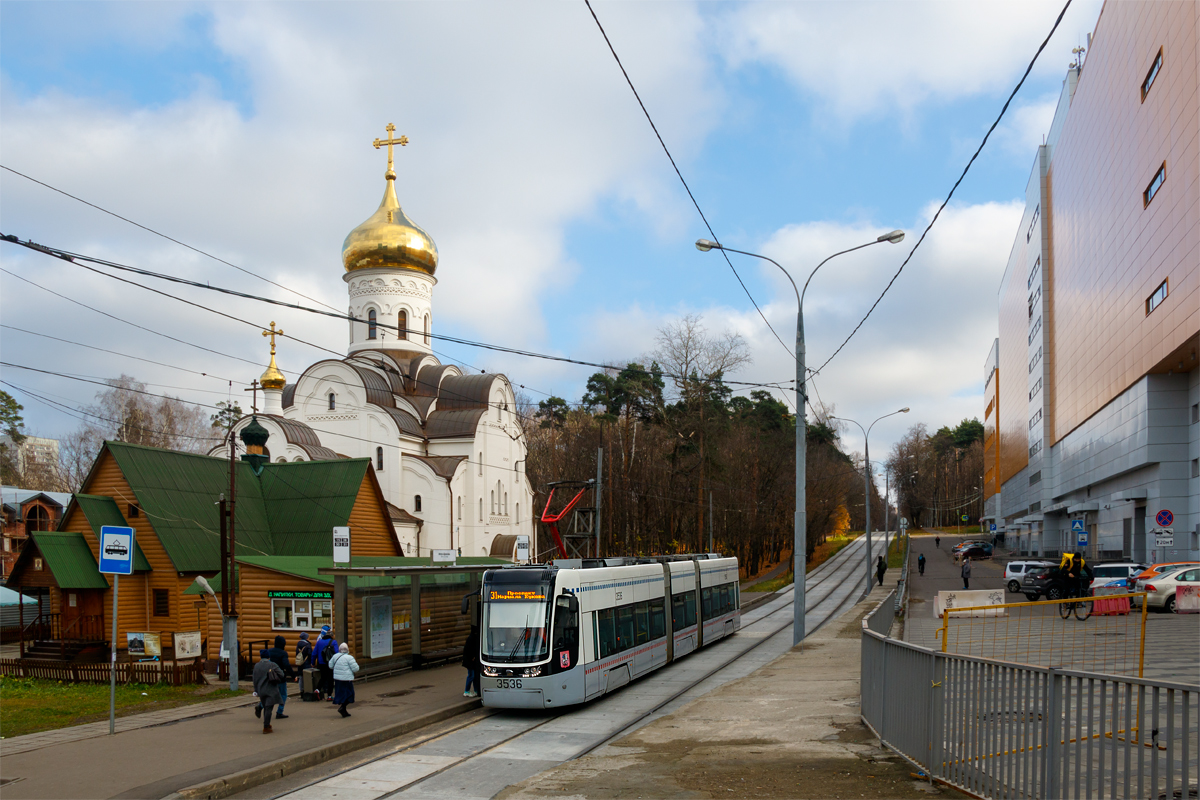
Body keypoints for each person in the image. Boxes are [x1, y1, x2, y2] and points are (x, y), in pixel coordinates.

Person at [252, 648, 284, 734]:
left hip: (261, 690)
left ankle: (267, 724)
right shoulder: (272, 665)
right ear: (268, 657)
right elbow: (281, 674)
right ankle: (266, 727)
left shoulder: (256, 666)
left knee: (265, 707)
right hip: (271, 689)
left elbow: (254, 679)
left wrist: (256, 690)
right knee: (268, 708)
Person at [264, 635, 295, 718]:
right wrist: (293, 676)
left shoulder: (269, 651)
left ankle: (260, 706)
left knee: (269, 694)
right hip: (280, 677)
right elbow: (286, 665)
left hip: (269, 676)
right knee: (283, 695)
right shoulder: (283, 653)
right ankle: (279, 712)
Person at [329, 642, 360, 718]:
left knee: (341, 694)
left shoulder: (335, 656)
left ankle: (344, 710)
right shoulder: (349, 658)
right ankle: (343, 708)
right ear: (347, 649)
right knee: (350, 694)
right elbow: (356, 668)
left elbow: (330, 665)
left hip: (337, 679)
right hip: (346, 679)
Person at [313, 625, 339, 701]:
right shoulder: (333, 642)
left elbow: (314, 653)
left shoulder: (319, 642)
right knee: (330, 679)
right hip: (330, 662)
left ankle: (317, 689)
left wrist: (312, 663)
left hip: (321, 663)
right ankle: (329, 696)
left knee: (323, 677)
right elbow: (337, 652)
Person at [462, 624, 481, 698]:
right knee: (471, 676)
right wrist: (473, 657)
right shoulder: (472, 638)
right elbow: (470, 650)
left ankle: (475, 690)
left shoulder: (471, 637)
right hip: (470, 661)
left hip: (470, 661)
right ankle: (467, 691)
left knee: (473, 676)